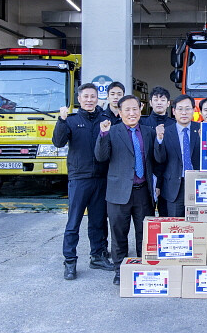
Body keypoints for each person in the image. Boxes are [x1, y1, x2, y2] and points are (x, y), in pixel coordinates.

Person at [53, 83, 114, 281]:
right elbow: (58, 142)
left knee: (98, 221)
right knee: (74, 222)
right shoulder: (71, 120)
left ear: (97, 99)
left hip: (101, 178)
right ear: (79, 99)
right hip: (79, 178)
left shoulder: (105, 119)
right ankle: (70, 262)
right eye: (85, 96)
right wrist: (61, 121)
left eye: (92, 96)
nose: (89, 100)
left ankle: (98, 256)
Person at [95, 95, 157, 285]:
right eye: (127, 110)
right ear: (120, 112)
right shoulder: (111, 131)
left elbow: (155, 160)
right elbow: (101, 157)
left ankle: (143, 268)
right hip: (118, 192)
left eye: (135, 109)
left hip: (143, 192)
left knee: (144, 234)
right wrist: (103, 134)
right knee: (119, 234)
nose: (131, 113)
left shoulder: (149, 132)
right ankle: (120, 270)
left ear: (141, 109)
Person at [154, 94, 201, 217]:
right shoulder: (165, 132)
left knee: (199, 222)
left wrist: (205, 140)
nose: (184, 112)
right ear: (174, 111)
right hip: (174, 187)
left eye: (187, 108)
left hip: (199, 184)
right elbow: (160, 159)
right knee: (175, 224)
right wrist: (159, 139)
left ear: (193, 110)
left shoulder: (201, 129)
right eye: (180, 109)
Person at [140, 86, 176, 216]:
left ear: (168, 103)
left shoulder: (174, 124)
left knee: (166, 215)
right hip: (146, 175)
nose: (159, 102)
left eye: (162, 100)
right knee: (146, 216)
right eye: (155, 99)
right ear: (150, 103)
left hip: (167, 176)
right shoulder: (141, 122)